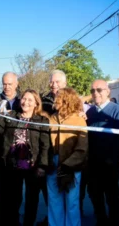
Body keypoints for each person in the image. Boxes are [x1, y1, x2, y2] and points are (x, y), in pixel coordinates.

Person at [0, 89, 50, 226]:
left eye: (30, 100)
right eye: (24, 98)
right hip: (13, 164)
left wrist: (42, 166)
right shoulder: (12, 115)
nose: (26, 102)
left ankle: (28, 222)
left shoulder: (42, 120)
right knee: (14, 197)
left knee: (32, 198)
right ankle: (14, 222)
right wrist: (0, 116)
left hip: (33, 165)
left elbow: (45, 145)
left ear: (36, 103)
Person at [86, 79, 119, 226]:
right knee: (94, 194)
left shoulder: (117, 111)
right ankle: (101, 220)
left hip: (109, 164)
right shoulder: (90, 111)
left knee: (111, 196)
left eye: (99, 90)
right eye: (92, 90)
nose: (95, 93)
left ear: (108, 91)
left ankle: (114, 222)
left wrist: (112, 157)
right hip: (92, 163)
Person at [47, 88, 88, 226]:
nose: (55, 99)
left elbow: (82, 148)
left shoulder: (78, 119)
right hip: (52, 164)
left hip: (72, 166)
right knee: (54, 200)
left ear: (66, 99)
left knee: (72, 202)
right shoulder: (52, 118)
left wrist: (68, 165)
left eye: (58, 97)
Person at [0, 71, 21, 225]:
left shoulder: (23, 100)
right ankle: (0, 219)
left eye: (10, 84)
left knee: (16, 187)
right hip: (0, 150)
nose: (7, 87)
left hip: (19, 150)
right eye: (4, 84)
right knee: (0, 187)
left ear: (16, 84)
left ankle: (14, 218)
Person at [38, 69, 67, 226]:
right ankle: (52, 219)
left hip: (69, 154)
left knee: (71, 195)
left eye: (57, 82)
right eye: (52, 82)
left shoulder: (73, 101)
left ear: (65, 84)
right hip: (49, 152)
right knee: (51, 193)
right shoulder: (44, 102)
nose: (53, 85)